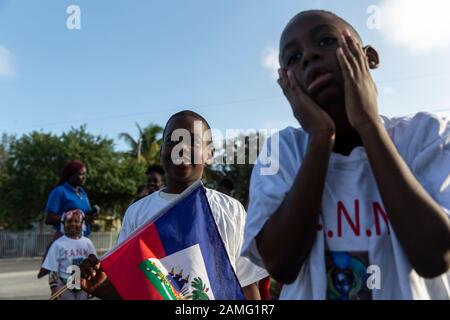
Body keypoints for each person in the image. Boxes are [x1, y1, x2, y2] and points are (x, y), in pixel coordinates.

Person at [241, 10, 450, 300]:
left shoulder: (426, 134)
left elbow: (434, 256)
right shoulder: (282, 151)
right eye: (293, 58)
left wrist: (368, 124)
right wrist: (320, 138)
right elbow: (282, 266)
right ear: (287, 83)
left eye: (326, 41)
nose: (309, 56)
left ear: (369, 57)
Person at [78, 110, 268, 300]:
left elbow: (246, 285)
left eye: (193, 142)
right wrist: (102, 288)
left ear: (209, 154)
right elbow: (133, 291)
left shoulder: (231, 210)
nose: (181, 149)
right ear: (162, 151)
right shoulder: (137, 213)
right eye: (172, 141)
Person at [42, 209, 96, 300]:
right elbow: (53, 269)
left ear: (82, 224)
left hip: (83, 286)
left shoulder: (87, 243)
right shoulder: (58, 244)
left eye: (76, 221)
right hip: (64, 286)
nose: (73, 224)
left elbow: (94, 265)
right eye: (69, 221)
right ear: (63, 224)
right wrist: (54, 288)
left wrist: (93, 284)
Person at [44, 160, 100, 237]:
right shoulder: (60, 191)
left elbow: (84, 214)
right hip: (65, 239)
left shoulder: (83, 193)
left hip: (83, 239)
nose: (84, 177)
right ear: (70, 175)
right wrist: (76, 219)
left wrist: (91, 216)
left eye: (85, 174)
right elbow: (49, 219)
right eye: (81, 174)